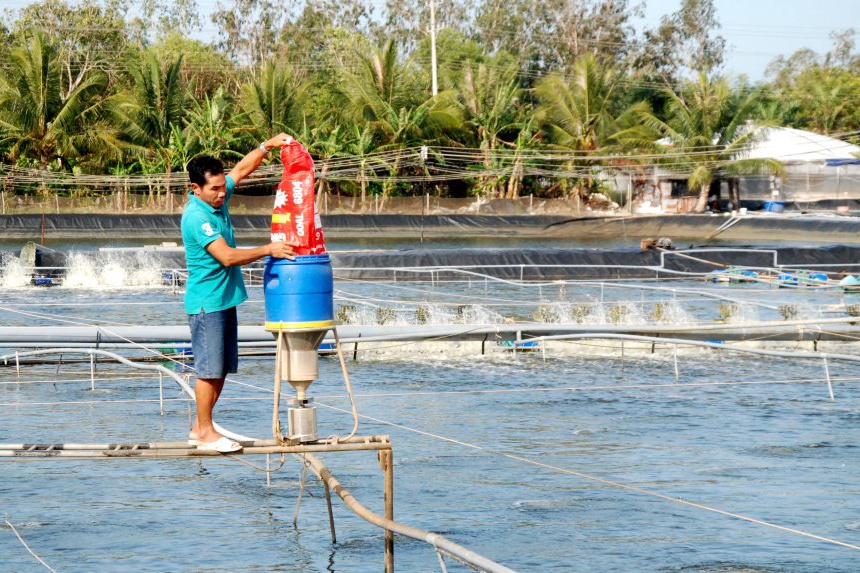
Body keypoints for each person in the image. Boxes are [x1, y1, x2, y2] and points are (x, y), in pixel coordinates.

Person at [182, 133, 296, 453]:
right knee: (208, 370)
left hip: (224, 299)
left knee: (221, 368)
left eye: (222, 187)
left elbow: (241, 170)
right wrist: (269, 249)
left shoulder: (217, 197)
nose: (222, 193)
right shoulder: (197, 217)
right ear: (196, 190)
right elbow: (228, 257)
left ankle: (201, 426)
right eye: (214, 189)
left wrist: (265, 146)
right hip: (207, 303)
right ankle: (204, 431)